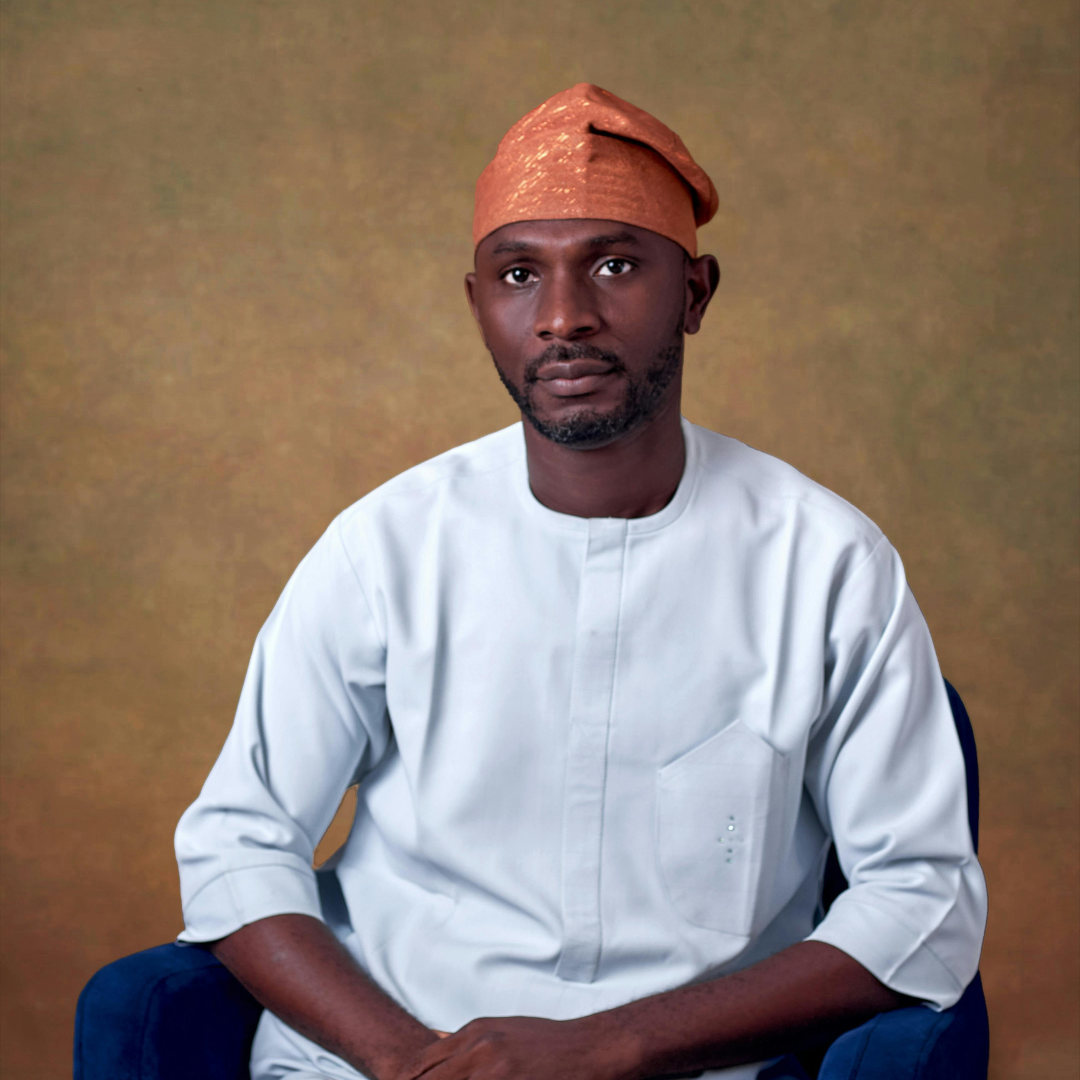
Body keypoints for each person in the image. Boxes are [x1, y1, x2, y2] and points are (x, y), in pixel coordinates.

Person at [175, 84, 987, 1080]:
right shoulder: (383, 550)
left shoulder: (826, 564)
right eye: (519, 274)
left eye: (614, 265)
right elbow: (238, 842)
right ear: (478, 305)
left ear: (695, 293)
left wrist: (609, 1045)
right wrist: (411, 1061)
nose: (563, 317)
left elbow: (920, 899)